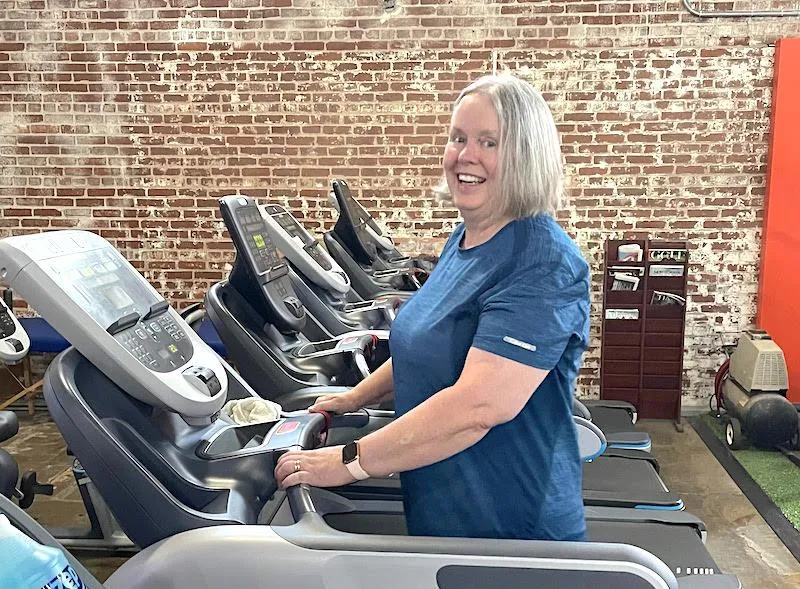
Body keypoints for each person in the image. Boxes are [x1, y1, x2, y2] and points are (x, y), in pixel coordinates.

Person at [275, 73, 590, 542]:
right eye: (457, 138)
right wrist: (355, 397)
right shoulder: (464, 240)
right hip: (442, 513)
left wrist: (347, 462)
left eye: (489, 142)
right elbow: (424, 347)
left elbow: (479, 405)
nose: (466, 155)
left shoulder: (542, 261)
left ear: (526, 156)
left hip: (510, 533)